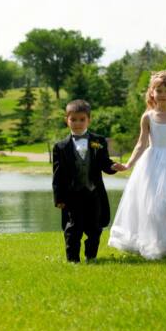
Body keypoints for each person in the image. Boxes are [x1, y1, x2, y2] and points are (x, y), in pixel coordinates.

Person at [109, 70, 166, 260]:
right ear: (151, 93)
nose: (162, 94)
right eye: (158, 90)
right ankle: (160, 244)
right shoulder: (147, 117)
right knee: (154, 205)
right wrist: (128, 165)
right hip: (152, 164)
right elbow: (141, 143)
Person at [53, 99, 119, 263]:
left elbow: (105, 163)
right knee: (73, 228)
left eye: (82, 119)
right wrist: (59, 198)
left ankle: (91, 256)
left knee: (95, 227)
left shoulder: (99, 141)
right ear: (66, 120)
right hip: (71, 195)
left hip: (93, 192)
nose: (77, 123)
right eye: (73, 119)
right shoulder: (60, 147)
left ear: (89, 119)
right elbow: (58, 174)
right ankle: (73, 259)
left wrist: (113, 166)